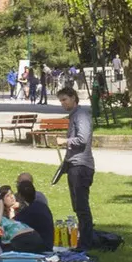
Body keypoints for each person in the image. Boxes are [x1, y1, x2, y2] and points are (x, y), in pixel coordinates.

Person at [56, 87, 97, 250]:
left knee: (81, 205)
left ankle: (86, 242)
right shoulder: (74, 116)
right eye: (61, 101)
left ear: (74, 98)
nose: (62, 103)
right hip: (73, 165)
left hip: (81, 166)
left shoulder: (81, 115)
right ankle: (84, 239)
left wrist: (64, 141)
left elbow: (83, 138)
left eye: (64, 99)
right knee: (77, 205)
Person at [2, 172, 54, 253]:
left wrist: (11, 210)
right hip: (47, 242)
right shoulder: (40, 205)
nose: (12, 197)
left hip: (42, 246)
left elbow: (12, 226)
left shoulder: (29, 210)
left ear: (21, 196)